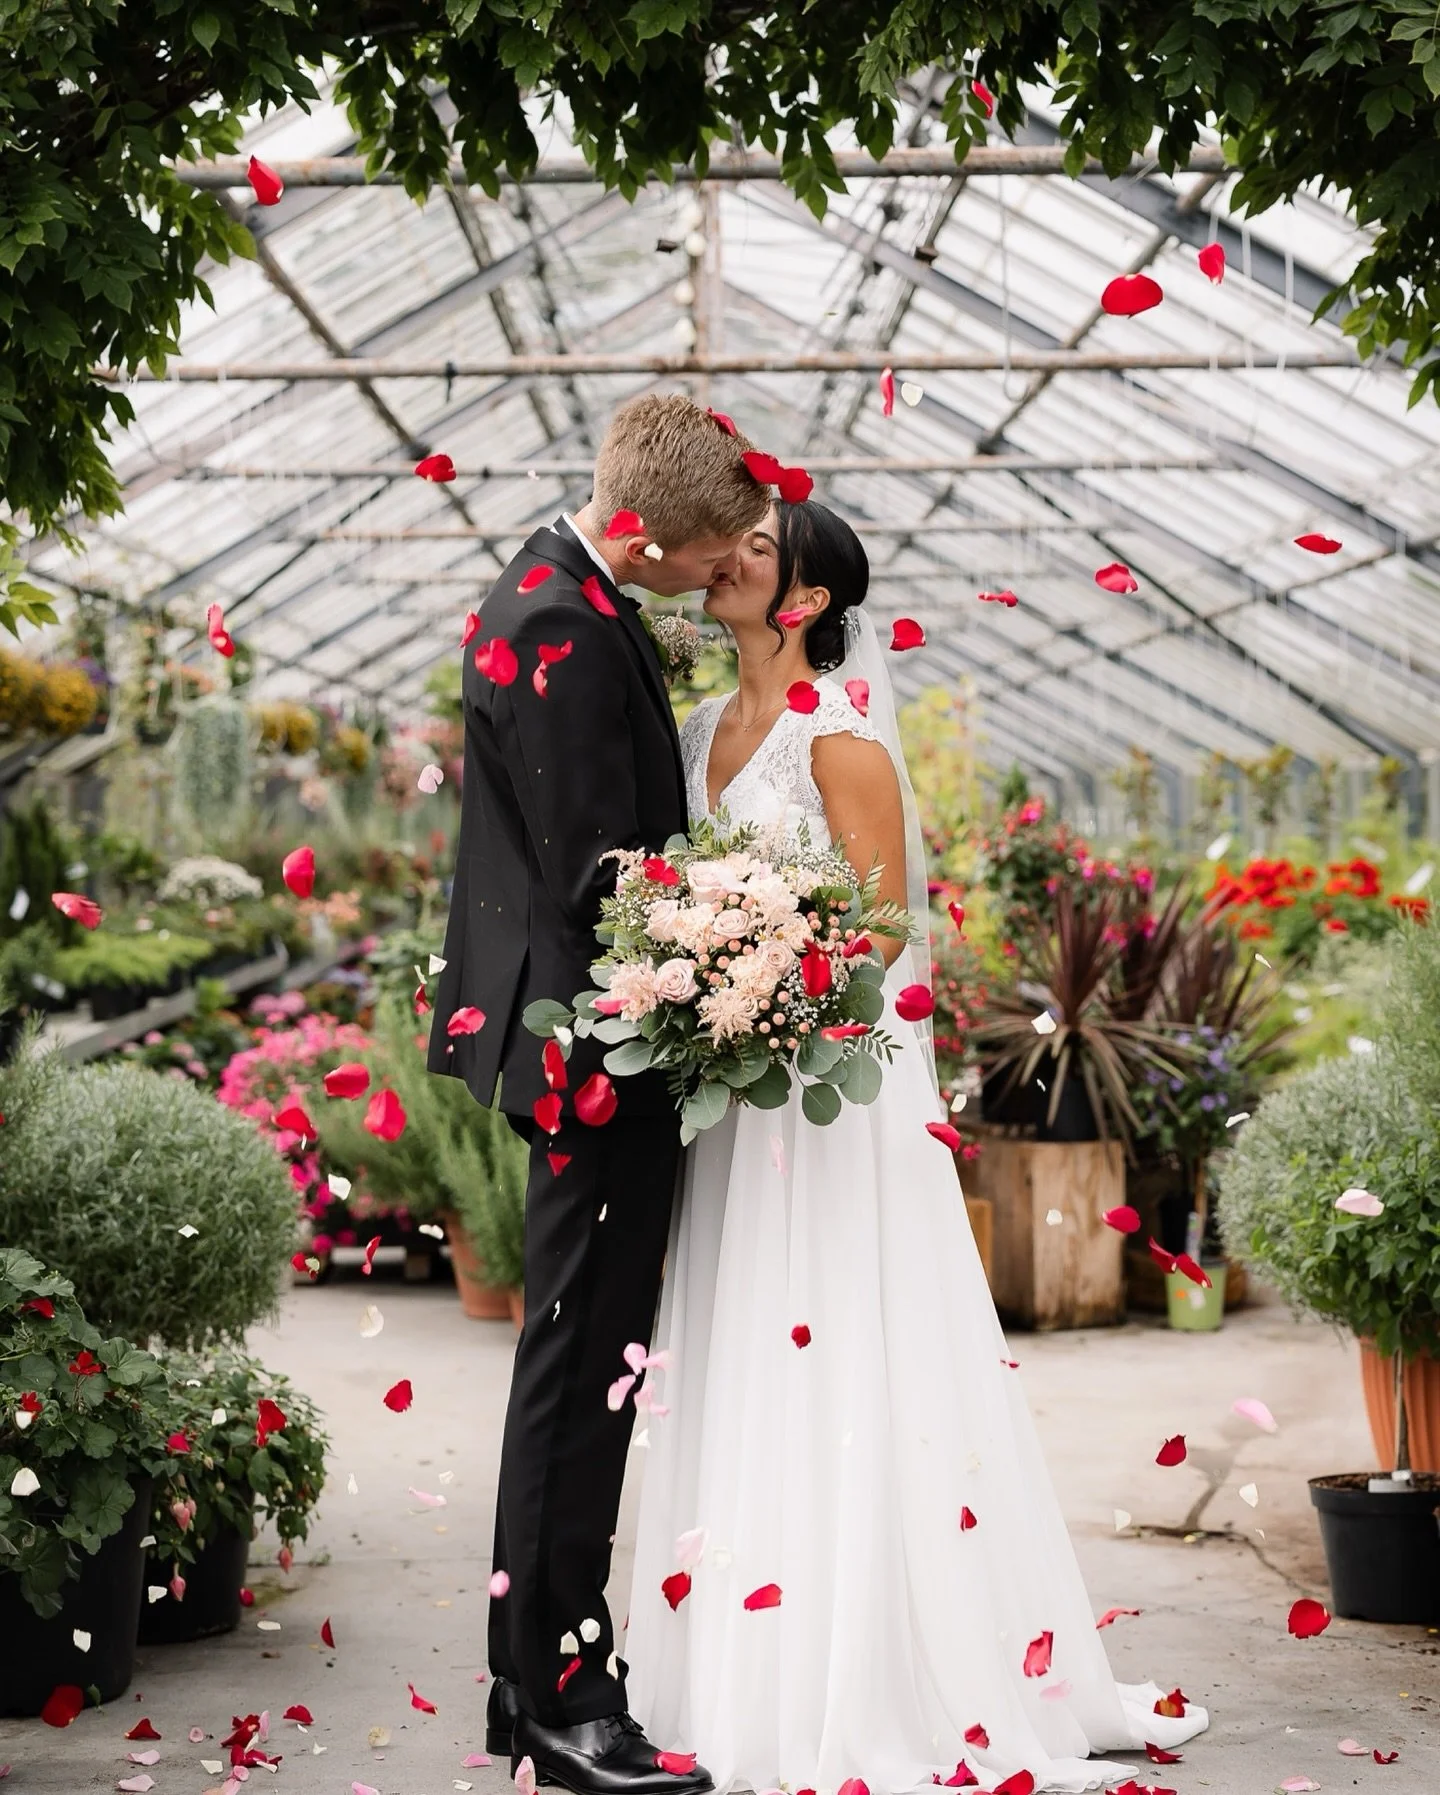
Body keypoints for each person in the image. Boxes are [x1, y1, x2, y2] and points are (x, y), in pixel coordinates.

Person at [623, 497, 1210, 1794]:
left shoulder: (842, 743)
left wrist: (775, 985)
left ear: (809, 599)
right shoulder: (695, 730)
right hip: (733, 1094)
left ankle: (859, 1668)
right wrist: (692, 980)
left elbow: (885, 928)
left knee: (841, 1342)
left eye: (759, 551)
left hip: (824, 1092)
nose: (728, 561)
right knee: (741, 1340)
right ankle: (734, 1654)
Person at [429, 394, 768, 1795]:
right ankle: (564, 1699)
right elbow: (601, 874)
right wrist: (745, 933)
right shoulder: (561, 623)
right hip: (592, 1054)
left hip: (589, 1042)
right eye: (702, 552)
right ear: (642, 527)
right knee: (578, 1380)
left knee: (579, 1369)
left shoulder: (569, 589)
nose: (713, 571)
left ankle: (539, 1682)